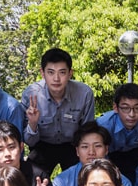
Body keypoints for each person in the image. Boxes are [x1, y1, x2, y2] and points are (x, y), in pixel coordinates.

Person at [22, 48, 95, 179]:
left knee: (84, 178)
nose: (56, 79)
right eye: (50, 72)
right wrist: (32, 123)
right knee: (29, 179)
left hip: (72, 145)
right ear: (42, 73)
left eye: (62, 72)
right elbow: (29, 142)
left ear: (70, 73)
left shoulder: (84, 93)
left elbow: (88, 132)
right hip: (42, 144)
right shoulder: (31, 95)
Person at [51, 122, 133, 186]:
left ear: (106, 149)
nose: (91, 152)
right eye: (85, 147)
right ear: (77, 151)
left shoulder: (122, 182)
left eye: (97, 146)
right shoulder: (62, 181)